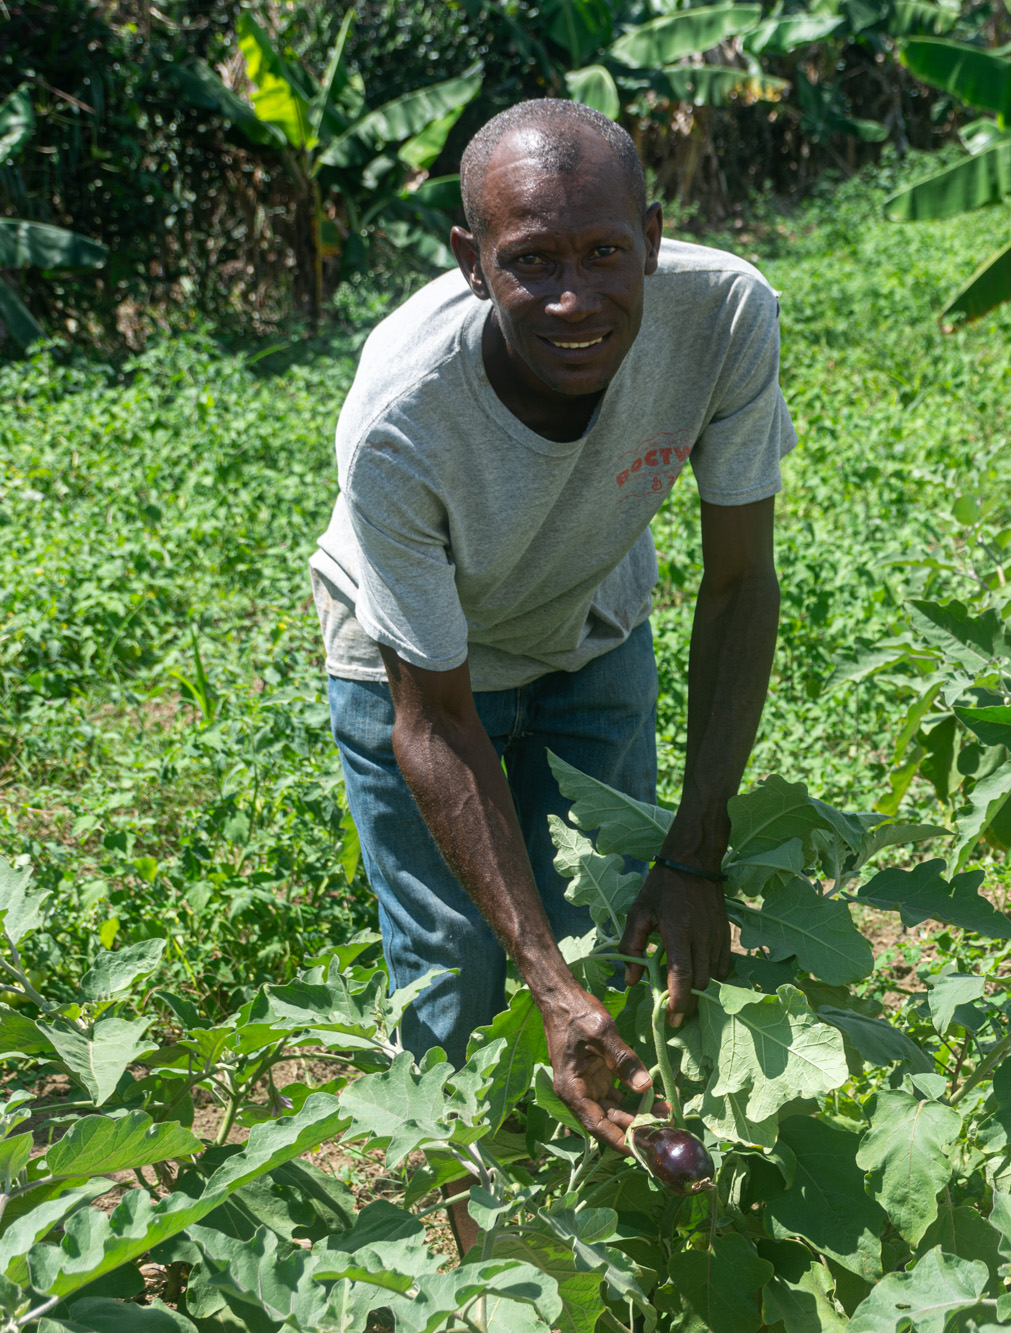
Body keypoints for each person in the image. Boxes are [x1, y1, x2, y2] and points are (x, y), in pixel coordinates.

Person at [308, 99, 787, 1247]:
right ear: (470, 263)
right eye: (530, 264)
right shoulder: (401, 422)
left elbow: (738, 586)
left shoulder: (722, 314)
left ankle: (600, 1232)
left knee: (613, 926)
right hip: (418, 665)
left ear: (654, 239)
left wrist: (694, 845)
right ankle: (484, 1255)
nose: (575, 300)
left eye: (603, 253)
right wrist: (539, 976)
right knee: (458, 970)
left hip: (591, 624)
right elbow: (435, 720)